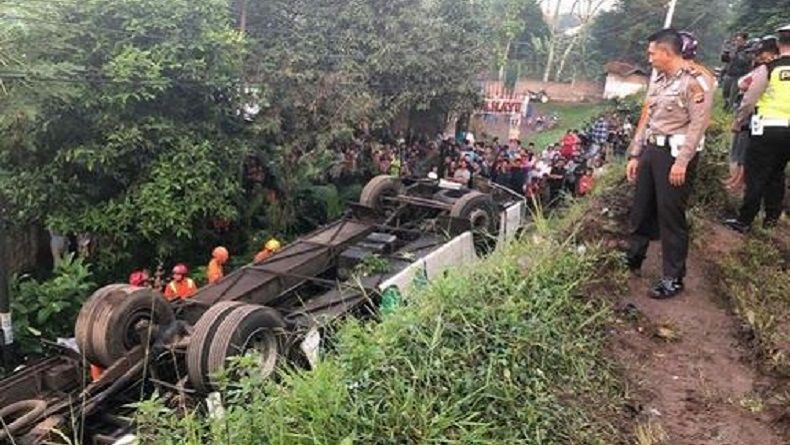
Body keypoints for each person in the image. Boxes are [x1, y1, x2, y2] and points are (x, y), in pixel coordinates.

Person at [625, 28, 714, 299]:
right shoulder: (660, 80)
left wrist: (682, 162)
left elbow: (698, 124)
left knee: (670, 216)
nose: (649, 57)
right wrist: (636, 154)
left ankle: (673, 277)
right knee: (641, 208)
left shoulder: (695, 81)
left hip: (675, 155)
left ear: (666, 52)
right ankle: (634, 258)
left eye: (652, 52)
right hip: (653, 149)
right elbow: (648, 117)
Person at [725, 25, 790, 233]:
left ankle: (745, 220)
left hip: (767, 128)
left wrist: (739, 120)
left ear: (779, 44)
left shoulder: (769, 68)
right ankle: (771, 219)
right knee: (777, 174)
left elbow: (749, 98)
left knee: (756, 175)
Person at [725, 37, 780, 190]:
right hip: (764, 118)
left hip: (755, 116)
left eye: (761, 53)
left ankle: (739, 183)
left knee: (743, 150)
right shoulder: (765, 68)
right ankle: (737, 181)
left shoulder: (766, 69)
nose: (757, 57)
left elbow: (747, 93)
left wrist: (739, 119)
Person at [722, 32, 751, 110]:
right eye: (736, 40)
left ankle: (731, 108)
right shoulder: (734, 49)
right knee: (725, 91)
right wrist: (725, 53)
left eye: (739, 40)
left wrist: (736, 56)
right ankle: (726, 104)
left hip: (739, 75)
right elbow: (725, 60)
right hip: (730, 73)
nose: (737, 42)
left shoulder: (747, 50)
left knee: (733, 93)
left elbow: (745, 62)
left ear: (745, 41)